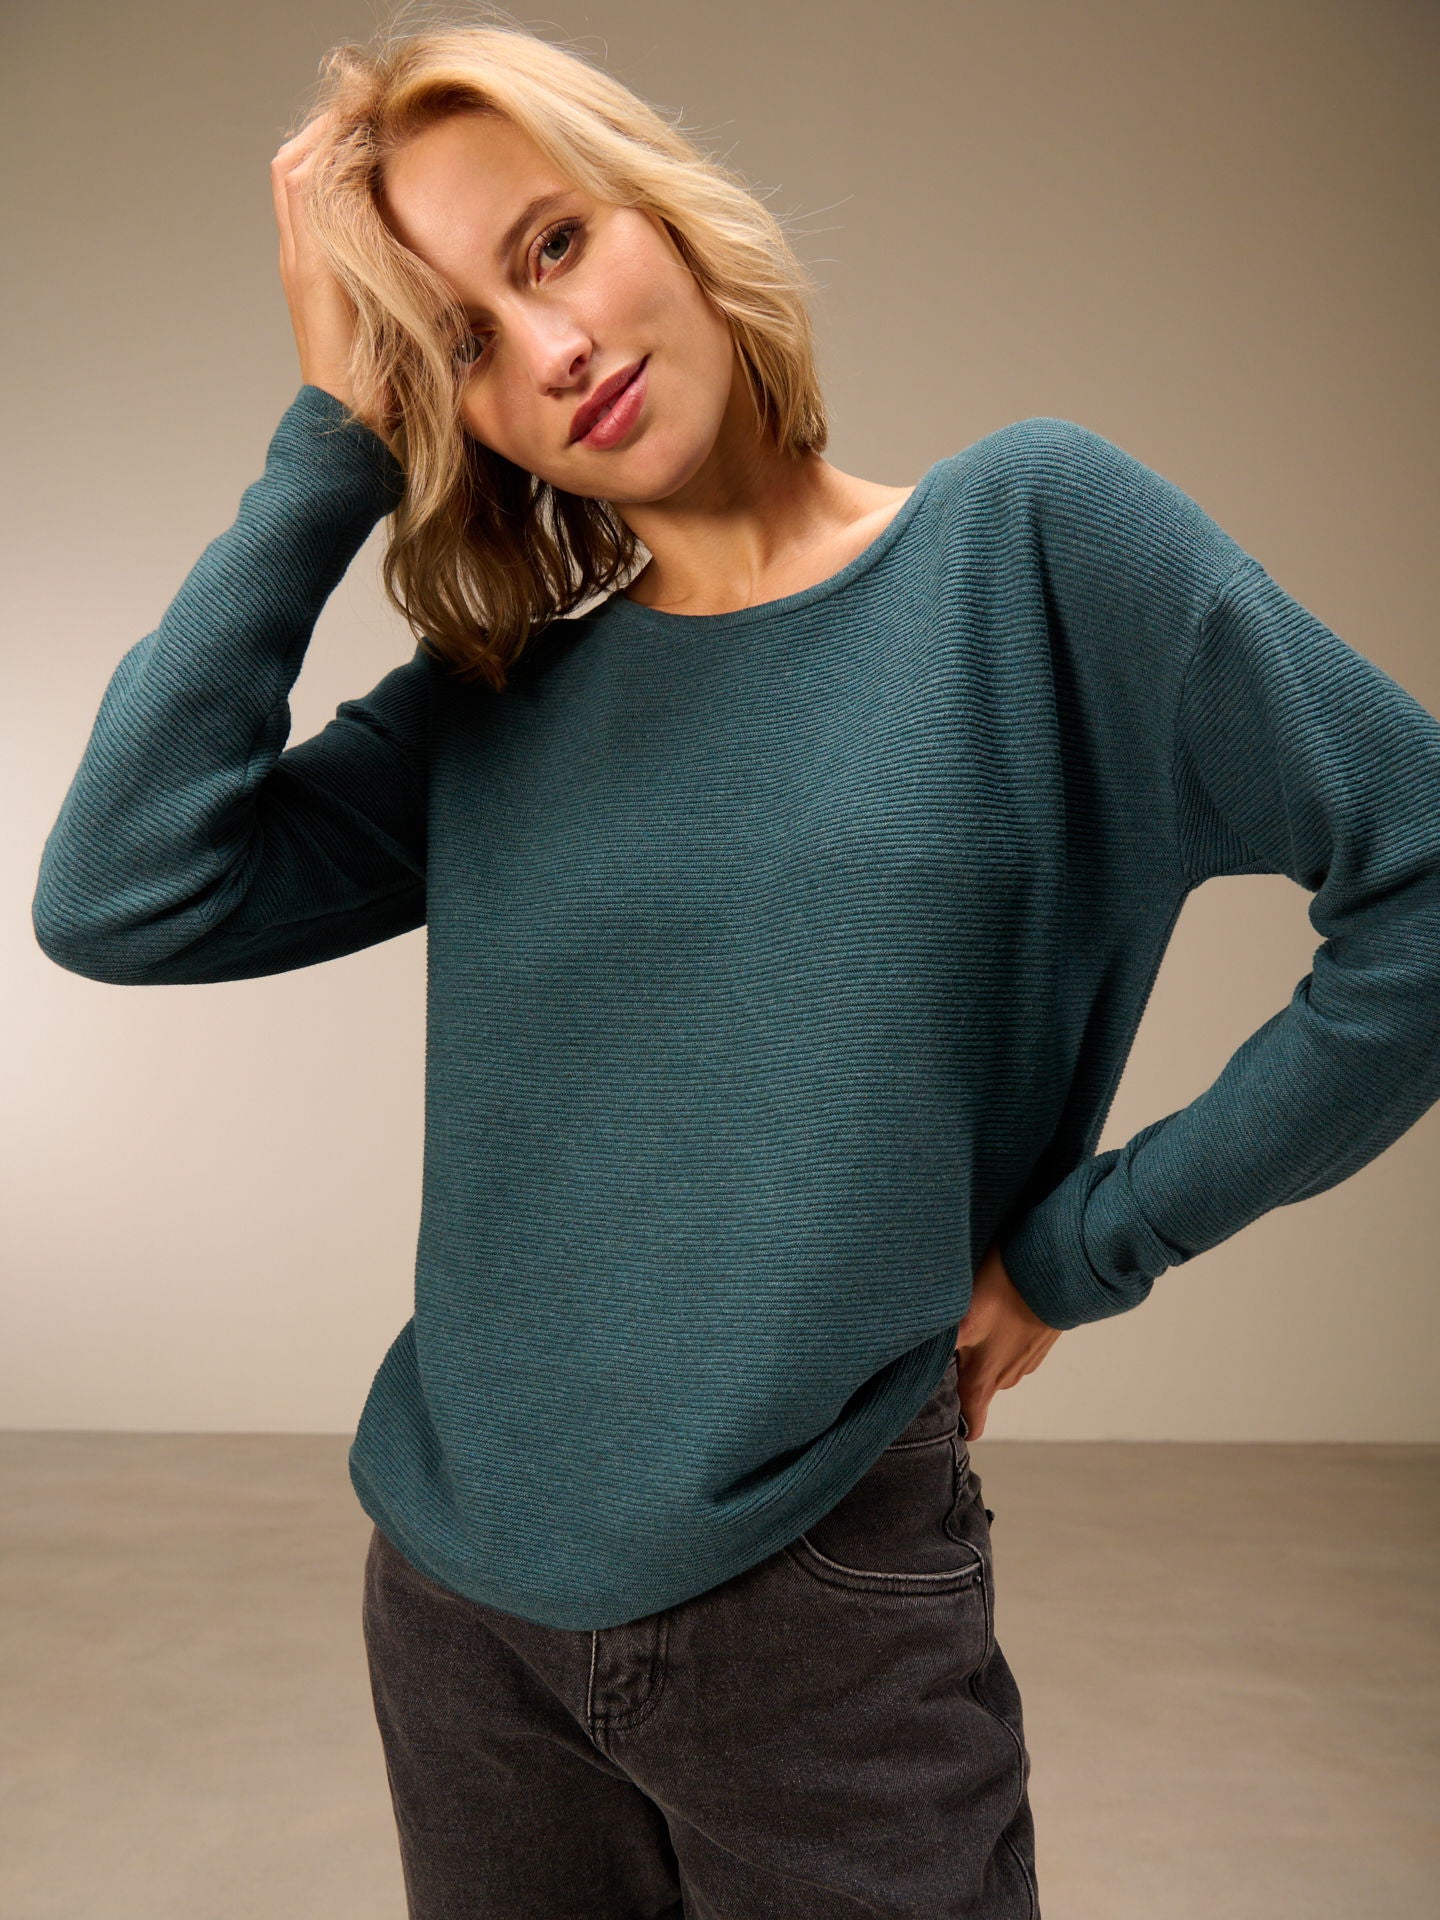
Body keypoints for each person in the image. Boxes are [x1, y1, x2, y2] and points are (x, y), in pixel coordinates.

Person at [30, 13, 1440, 1920]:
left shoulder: (1027, 548)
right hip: (460, 1624)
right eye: (456, 347)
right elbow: (119, 891)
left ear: (669, 213)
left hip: (821, 1619)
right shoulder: (503, 693)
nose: (552, 349)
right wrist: (331, 448)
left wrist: (1088, 1248)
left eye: (551, 247)